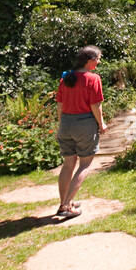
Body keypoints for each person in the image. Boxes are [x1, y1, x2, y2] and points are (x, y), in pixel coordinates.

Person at [55, 46, 107, 219]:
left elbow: (60, 106)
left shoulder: (66, 78)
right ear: (90, 60)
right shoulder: (93, 79)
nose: (99, 62)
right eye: (98, 59)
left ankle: (65, 202)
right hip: (84, 125)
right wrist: (102, 125)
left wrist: (61, 124)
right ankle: (66, 205)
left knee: (68, 164)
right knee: (85, 165)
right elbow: (95, 106)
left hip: (66, 124)